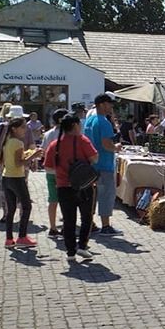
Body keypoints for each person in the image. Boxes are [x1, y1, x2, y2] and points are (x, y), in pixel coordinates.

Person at [43, 114, 98, 261]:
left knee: (68, 220)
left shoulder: (55, 144)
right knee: (87, 217)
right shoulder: (83, 140)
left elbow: (48, 167)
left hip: (63, 187)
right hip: (84, 186)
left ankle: (70, 252)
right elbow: (94, 158)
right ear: (75, 126)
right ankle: (82, 246)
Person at [1, 118, 42, 248]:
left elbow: (12, 159)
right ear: (14, 129)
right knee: (26, 206)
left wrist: (27, 153)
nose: (25, 130)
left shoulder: (7, 141)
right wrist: (33, 156)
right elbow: (19, 163)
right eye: (23, 127)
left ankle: (9, 239)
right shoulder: (18, 142)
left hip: (6, 176)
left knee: (11, 209)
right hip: (16, 178)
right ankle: (22, 237)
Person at [83, 93, 122, 235]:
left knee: (91, 196)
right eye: (109, 103)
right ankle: (106, 226)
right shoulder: (104, 122)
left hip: (91, 163)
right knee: (106, 195)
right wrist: (116, 147)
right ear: (102, 104)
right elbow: (106, 144)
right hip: (104, 164)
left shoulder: (89, 120)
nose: (111, 106)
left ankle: (90, 224)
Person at [41, 109, 69, 237]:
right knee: (66, 199)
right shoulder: (66, 134)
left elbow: (44, 151)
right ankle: (66, 225)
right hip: (64, 171)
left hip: (50, 170)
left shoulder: (48, 134)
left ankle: (52, 227)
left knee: (52, 199)